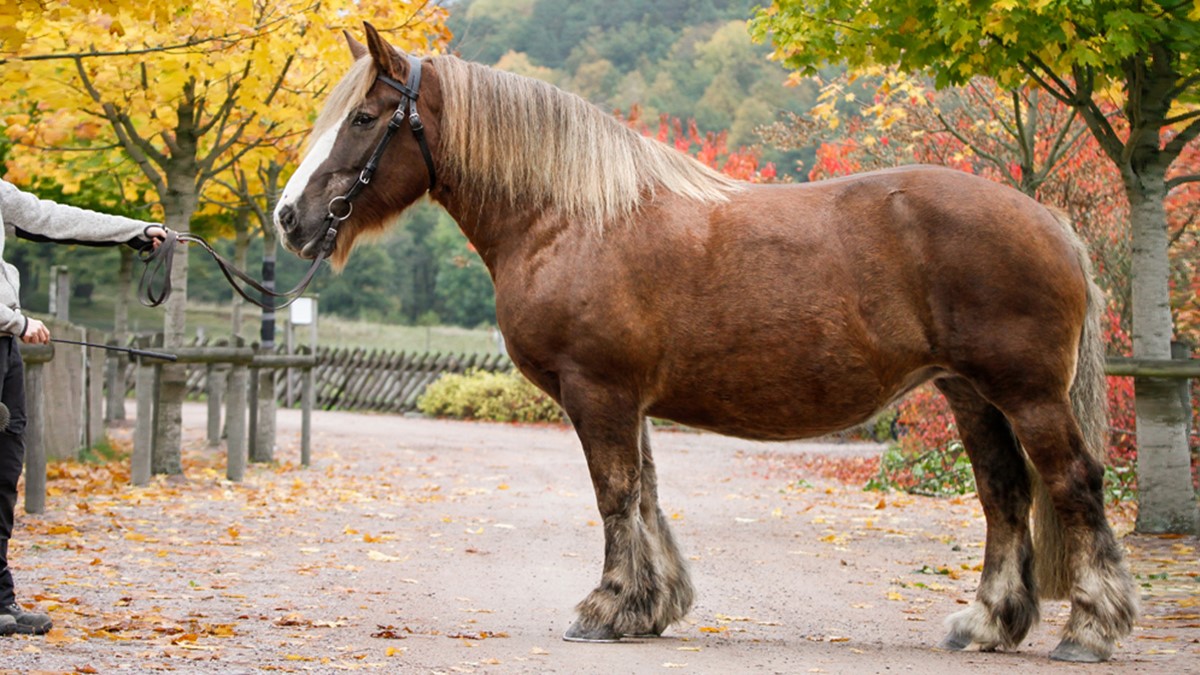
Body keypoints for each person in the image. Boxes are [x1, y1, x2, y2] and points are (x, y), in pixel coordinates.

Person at [0, 178, 167, 636]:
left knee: (3, 474)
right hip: (8, 330)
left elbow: (52, 218)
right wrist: (17, 320)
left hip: (4, 350)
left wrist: (134, 231)